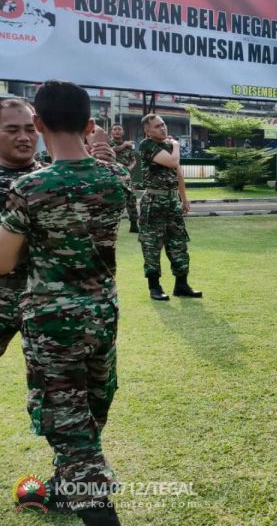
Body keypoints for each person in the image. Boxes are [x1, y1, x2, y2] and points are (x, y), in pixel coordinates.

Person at [0, 81, 129, 525]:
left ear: (39, 124)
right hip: (101, 314)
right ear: (90, 125)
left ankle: (92, 502)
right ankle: (64, 487)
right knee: (89, 406)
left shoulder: (30, 186)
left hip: (52, 321)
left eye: (27, 127)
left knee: (68, 421)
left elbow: (3, 262)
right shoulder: (117, 178)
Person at [139, 114, 202, 301]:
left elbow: (178, 172)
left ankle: (181, 285)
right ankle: (155, 287)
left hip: (172, 201)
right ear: (147, 130)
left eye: (163, 124)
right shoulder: (147, 145)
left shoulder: (168, 146)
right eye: (157, 126)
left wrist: (184, 198)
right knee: (152, 245)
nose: (163, 128)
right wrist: (176, 145)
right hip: (154, 201)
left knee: (178, 242)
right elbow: (173, 162)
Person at [0, 99, 45, 359]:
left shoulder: (52, 181)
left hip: (45, 299)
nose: (24, 137)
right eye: (12, 130)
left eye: (30, 129)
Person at [110, 123, 139, 233]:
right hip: (111, 175)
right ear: (111, 132)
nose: (117, 131)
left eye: (119, 129)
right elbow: (113, 150)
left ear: (123, 132)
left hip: (125, 176)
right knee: (111, 199)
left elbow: (134, 160)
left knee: (131, 198)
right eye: (115, 129)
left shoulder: (128, 147)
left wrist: (129, 168)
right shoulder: (108, 143)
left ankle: (134, 223)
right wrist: (125, 144)